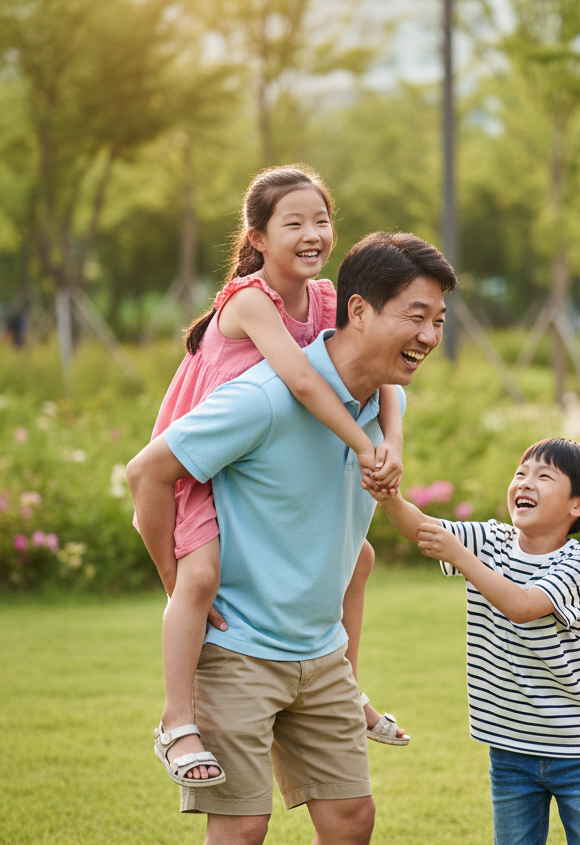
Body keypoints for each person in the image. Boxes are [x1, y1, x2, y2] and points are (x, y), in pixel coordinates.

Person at [127, 230, 455, 845]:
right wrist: (178, 582)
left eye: (438, 321)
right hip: (239, 651)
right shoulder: (265, 399)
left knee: (351, 819)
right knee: (240, 833)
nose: (430, 337)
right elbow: (148, 473)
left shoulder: (389, 402)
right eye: (416, 316)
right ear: (358, 310)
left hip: (323, 656)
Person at [144, 165, 409, 789]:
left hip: (249, 453)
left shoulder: (323, 300)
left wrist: (390, 441)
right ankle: (176, 721)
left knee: (358, 558)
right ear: (257, 237)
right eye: (294, 222)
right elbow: (301, 380)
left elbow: (378, 369)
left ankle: (344, 688)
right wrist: (361, 446)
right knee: (200, 576)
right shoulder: (248, 299)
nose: (313, 233)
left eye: (322, 220)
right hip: (203, 458)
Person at [368, 437, 580, 845]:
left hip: (576, 747)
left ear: (578, 505)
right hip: (508, 745)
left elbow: (522, 607)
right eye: (521, 472)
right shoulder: (491, 539)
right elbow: (421, 529)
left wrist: (462, 558)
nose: (525, 482)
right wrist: (391, 497)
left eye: (544, 476)